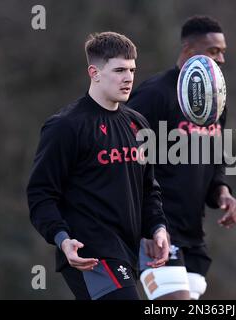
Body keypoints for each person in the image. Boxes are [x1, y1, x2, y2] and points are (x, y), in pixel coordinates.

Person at [26, 31, 169, 300]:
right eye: (119, 70)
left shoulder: (138, 124)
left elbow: (149, 190)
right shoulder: (66, 126)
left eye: (132, 70)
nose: (128, 78)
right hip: (89, 253)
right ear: (94, 72)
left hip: (126, 254)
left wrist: (158, 229)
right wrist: (63, 240)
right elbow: (40, 194)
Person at [126, 15, 236, 300]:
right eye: (214, 50)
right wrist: (145, 228)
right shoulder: (153, 95)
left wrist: (222, 191)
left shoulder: (215, 100)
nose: (222, 59)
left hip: (194, 235)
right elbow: (126, 164)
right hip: (159, 231)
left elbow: (215, 159)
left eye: (223, 51)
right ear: (189, 51)